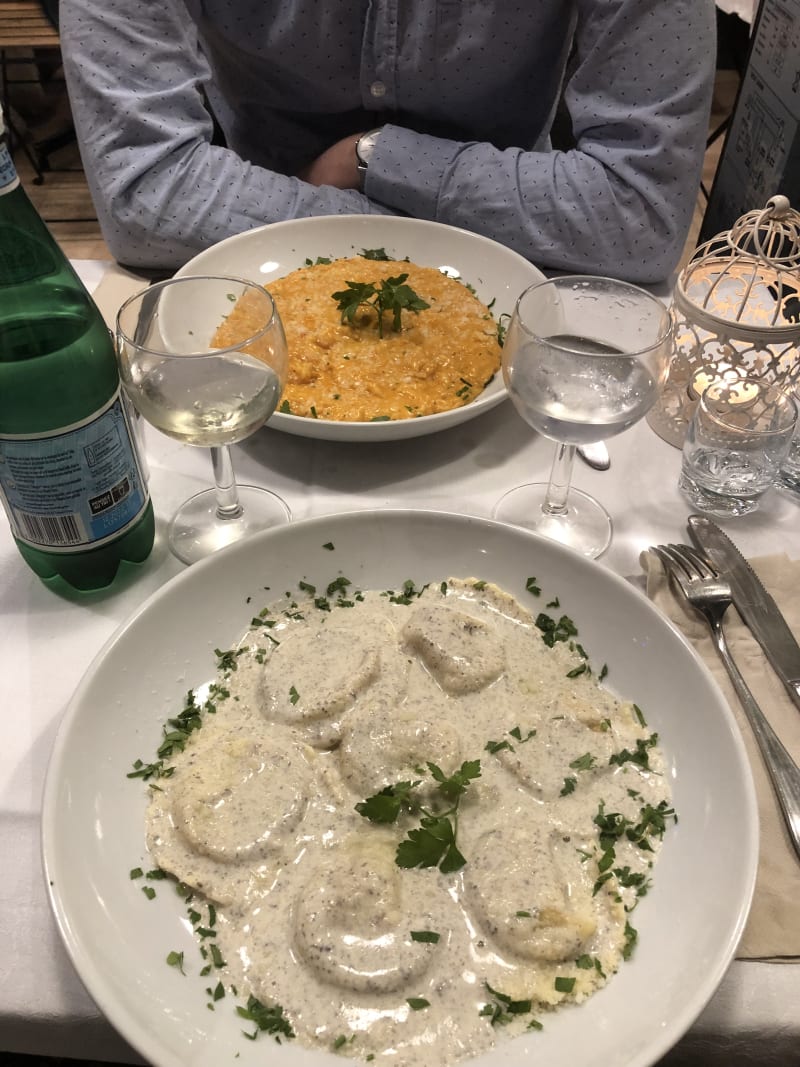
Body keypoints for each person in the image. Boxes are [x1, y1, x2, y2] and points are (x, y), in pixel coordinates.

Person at [59, 0, 716, 281]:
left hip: (529, 281)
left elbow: (642, 215)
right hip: (252, 269)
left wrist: (375, 158)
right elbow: (145, 194)